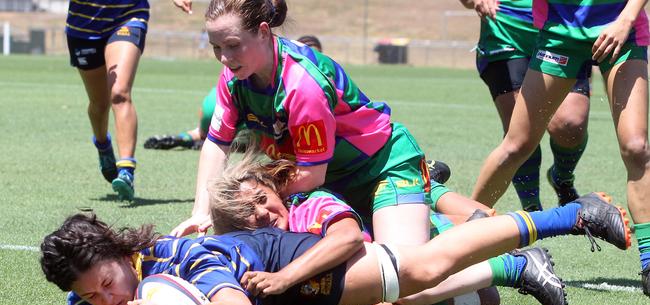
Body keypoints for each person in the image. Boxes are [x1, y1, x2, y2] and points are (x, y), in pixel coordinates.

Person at [41, 193, 628, 305]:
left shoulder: (182, 259)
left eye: (107, 283)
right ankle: (509, 271)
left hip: (296, 263)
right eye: (91, 295)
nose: (106, 300)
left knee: (419, 269)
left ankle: (571, 215)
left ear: (118, 252)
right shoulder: (91, 299)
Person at [170, 0, 482, 248]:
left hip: (379, 167)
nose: (224, 58)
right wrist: (202, 211)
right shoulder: (234, 76)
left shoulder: (301, 84)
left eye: (233, 45)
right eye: (216, 47)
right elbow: (215, 144)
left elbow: (311, 173)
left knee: (402, 272)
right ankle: (432, 217)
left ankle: (499, 247)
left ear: (263, 32)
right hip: (329, 177)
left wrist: (261, 193)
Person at [206, 156, 570, 305]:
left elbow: (347, 239)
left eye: (260, 199)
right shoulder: (267, 243)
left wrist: (286, 278)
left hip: (412, 254)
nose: (260, 213)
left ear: (273, 187)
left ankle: (515, 263)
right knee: (481, 303)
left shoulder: (308, 205)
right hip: (399, 272)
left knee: (410, 293)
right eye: (246, 215)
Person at [469, 0, 650, 294]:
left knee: (636, 146)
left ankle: (649, 263)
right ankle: (463, 231)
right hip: (561, 34)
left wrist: (627, 18)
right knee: (517, 145)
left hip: (622, 29)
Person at [460, 0, 590, 211]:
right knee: (519, 133)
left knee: (570, 125)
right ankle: (531, 208)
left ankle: (562, 179)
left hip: (563, 29)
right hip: (506, 31)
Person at [65, 0, 190, 201]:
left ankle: (126, 171)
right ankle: (103, 145)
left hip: (128, 14)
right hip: (84, 25)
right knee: (99, 104)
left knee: (119, 92)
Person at [142, 35, 323, 151]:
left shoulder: (308, 88)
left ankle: (189, 138)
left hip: (266, 136)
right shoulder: (245, 82)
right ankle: (184, 138)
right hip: (255, 129)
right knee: (218, 123)